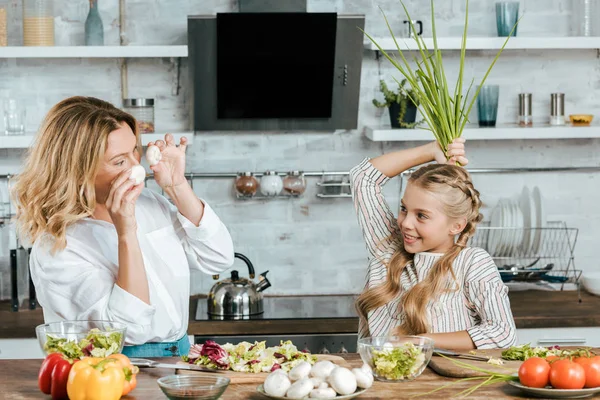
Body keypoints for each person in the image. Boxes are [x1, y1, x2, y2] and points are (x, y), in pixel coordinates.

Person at [11, 96, 234, 357]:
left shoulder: (149, 203)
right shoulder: (58, 246)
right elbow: (129, 329)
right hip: (117, 368)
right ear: (77, 170)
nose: (135, 166)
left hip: (179, 357)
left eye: (134, 151)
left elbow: (218, 258)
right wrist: (126, 233)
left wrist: (177, 187)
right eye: (119, 161)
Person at [350, 138, 516, 350]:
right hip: (386, 381)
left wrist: (419, 342)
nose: (406, 223)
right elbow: (362, 178)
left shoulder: (471, 263)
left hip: (449, 381)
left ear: (456, 226)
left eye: (421, 216)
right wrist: (432, 150)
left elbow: (502, 333)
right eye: (403, 209)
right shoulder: (388, 248)